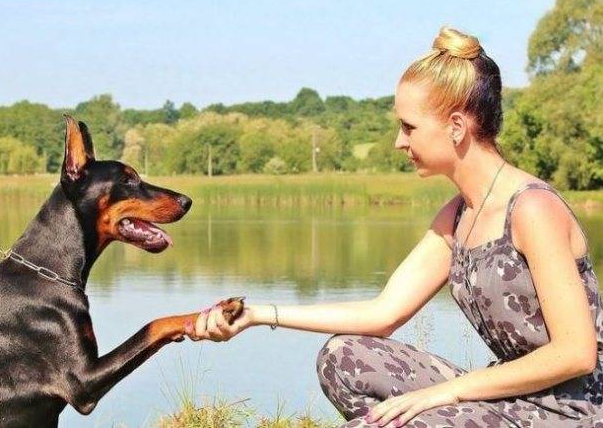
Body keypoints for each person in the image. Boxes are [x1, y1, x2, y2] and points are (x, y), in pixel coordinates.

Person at [184, 27, 603, 427]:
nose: (399, 142)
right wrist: (257, 315)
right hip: (510, 401)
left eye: (409, 127)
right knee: (342, 357)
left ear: (456, 127)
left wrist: (448, 393)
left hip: (574, 414)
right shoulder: (458, 216)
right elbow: (382, 313)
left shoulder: (532, 209)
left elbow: (576, 353)